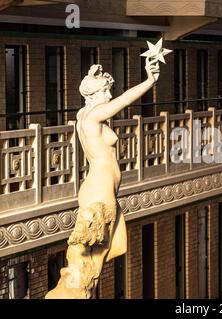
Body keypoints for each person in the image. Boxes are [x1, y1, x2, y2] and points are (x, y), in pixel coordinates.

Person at [45, 59, 160, 299]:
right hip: (99, 192)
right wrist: (150, 81)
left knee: (99, 254)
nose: (109, 94)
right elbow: (126, 100)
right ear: (94, 94)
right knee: (86, 257)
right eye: (106, 90)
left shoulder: (83, 114)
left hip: (99, 189)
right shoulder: (94, 115)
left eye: (109, 89)